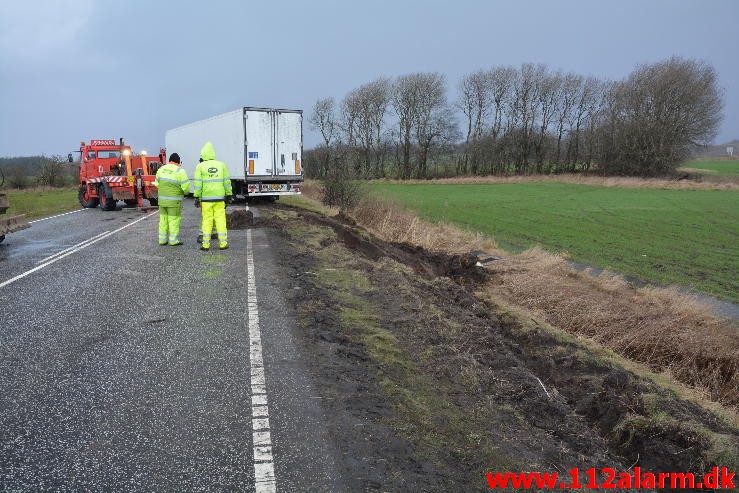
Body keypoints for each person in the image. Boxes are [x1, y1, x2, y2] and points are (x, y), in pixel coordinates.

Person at [193, 142, 232, 251]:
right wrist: (228, 194)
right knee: (220, 220)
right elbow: (227, 182)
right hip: (219, 198)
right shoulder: (221, 165)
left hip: (206, 199)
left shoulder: (200, 166)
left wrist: (197, 197)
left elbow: (197, 184)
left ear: (203, 154)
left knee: (207, 220)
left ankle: (206, 244)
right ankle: (223, 243)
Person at [154, 152, 190, 246]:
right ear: (178, 162)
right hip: (174, 202)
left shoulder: (161, 169)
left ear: (169, 161)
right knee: (173, 220)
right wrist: (183, 193)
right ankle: (173, 240)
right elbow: (186, 188)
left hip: (162, 201)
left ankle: (162, 240)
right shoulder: (180, 171)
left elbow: (157, 184)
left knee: (163, 220)